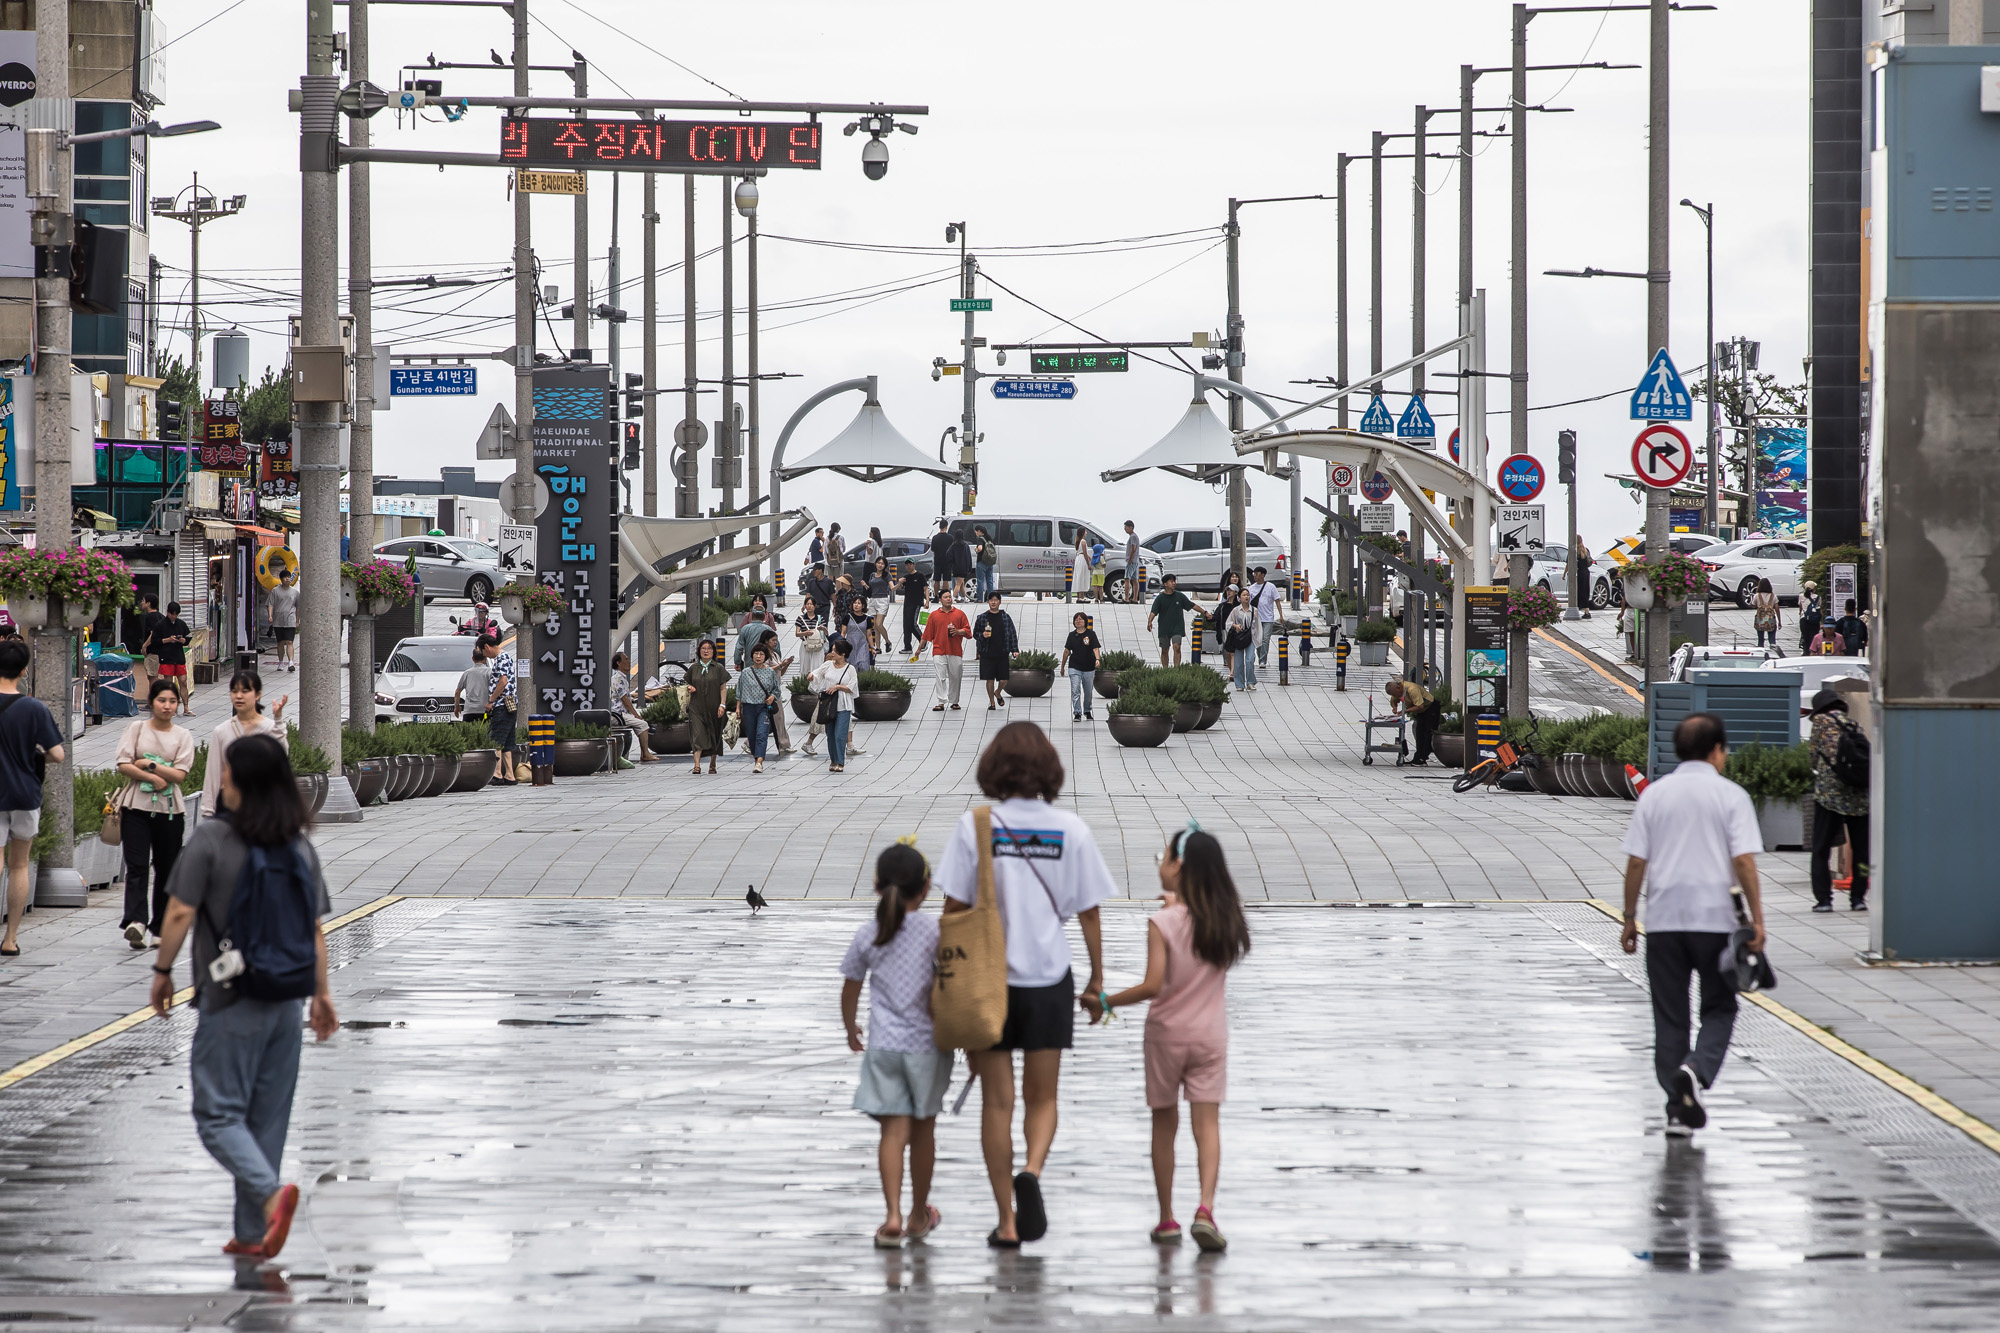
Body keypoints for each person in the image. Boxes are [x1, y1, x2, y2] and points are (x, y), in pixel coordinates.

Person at [151, 733, 338, 1262]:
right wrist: (322, 995)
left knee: (217, 1115)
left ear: (238, 779)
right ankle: (252, 1233)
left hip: (230, 998)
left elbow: (181, 913)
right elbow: (316, 929)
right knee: (265, 1122)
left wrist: (162, 970)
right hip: (287, 999)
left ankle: (272, 1197)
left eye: (227, 769)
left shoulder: (211, 839)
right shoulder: (299, 844)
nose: (223, 776)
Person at [941, 722, 1112, 1248]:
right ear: (1047, 769)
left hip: (988, 983)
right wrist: (1097, 979)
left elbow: (951, 912)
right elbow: (1088, 914)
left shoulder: (975, 828)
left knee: (998, 1102)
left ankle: (1007, 1222)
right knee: (1043, 1097)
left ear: (994, 766)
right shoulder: (1071, 831)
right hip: (1049, 978)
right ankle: (1032, 1172)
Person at [1083, 827, 1249, 1252]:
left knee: (1164, 1124)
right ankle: (1206, 1208)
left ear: (1178, 867)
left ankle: (1166, 1218)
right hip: (1210, 1037)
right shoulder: (1225, 917)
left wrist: (1104, 1000)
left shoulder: (1162, 922)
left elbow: (1153, 985)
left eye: (1163, 857)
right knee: (1206, 1125)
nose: (1159, 864)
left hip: (1166, 1037)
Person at [1618, 712, 1766, 1137]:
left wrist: (1630, 918)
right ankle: (1696, 1070)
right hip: (1715, 922)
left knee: (1670, 1017)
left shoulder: (1655, 796)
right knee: (1719, 1007)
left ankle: (1676, 1111)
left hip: (1663, 922)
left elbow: (1635, 861)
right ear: (1718, 751)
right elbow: (1742, 861)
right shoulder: (1731, 796)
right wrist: (1757, 920)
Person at [841, 840, 950, 1247]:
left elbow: (851, 986)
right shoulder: (935, 930)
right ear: (926, 887)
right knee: (923, 1134)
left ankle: (890, 1217)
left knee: (892, 1132)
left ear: (876, 885)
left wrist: (851, 1028)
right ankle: (918, 1215)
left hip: (884, 1047)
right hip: (928, 1047)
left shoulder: (870, 932)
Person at [114, 680, 197, 950]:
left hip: (169, 812)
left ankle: (160, 926)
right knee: (136, 866)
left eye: (172, 701)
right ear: (151, 702)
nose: (167, 706)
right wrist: (156, 771)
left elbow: (180, 775)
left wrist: (149, 764)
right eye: (162, 700)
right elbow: (124, 763)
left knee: (166, 869)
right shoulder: (136, 728)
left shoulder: (183, 736)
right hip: (136, 807)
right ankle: (136, 921)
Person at [0, 637, 63, 959]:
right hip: (25, 793)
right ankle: (10, 938)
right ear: (24, 670)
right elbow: (58, 754)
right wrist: (35, 756)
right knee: (19, 864)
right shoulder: (34, 708)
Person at [1808, 689, 1869, 912]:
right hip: (1859, 796)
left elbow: (1814, 758)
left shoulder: (1821, 722)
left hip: (1829, 796)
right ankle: (1858, 899)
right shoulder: (1853, 724)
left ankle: (1824, 900)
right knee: (1862, 851)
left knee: (1821, 849)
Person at [202, 670, 288, 818]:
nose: (239, 696)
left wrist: (278, 720)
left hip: (261, 803)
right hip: (229, 805)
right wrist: (208, 811)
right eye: (234, 691)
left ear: (258, 694)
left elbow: (282, 756)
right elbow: (214, 772)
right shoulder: (221, 731)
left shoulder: (269, 727)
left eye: (245, 691)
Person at [811, 637, 861, 771]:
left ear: (843, 654)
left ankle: (840, 762)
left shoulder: (850, 669)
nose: (832, 653)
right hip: (828, 705)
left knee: (840, 735)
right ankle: (833, 761)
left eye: (835, 651)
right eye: (832, 650)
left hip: (843, 705)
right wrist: (811, 676)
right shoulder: (828, 665)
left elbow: (852, 687)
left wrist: (838, 687)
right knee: (830, 734)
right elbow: (817, 673)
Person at [735, 642, 781, 774]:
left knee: (762, 733)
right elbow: (740, 691)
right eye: (756, 654)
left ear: (765, 657)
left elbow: (776, 690)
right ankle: (756, 757)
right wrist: (738, 708)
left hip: (763, 708)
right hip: (748, 707)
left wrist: (772, 697)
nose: (758, 656)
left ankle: (759, 762)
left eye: (761, 654)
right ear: (751, 656)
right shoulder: (746, 672)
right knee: (752, 734)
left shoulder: (770, 672)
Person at [921, 588, 970, 712]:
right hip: (938, 650)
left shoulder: (960, 614)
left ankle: (954, 701)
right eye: (945, 597)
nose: (948, 599)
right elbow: (927, 634)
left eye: (950, 597)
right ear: (940, 600)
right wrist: (918, 649)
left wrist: (958, 631)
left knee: (956, 677)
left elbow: (968, 632)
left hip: (955, 650)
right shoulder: (934, 615)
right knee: (940, 677)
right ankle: (941, 702)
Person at [686, 637, 729, 776]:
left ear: (713, 652)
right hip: (696, 707)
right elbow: (687, 683)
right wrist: (690, 687)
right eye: (703, 649)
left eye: (709, 649)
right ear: (699, 651)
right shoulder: (694, 668)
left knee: (714, 734)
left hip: (714, 706)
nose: (706, 651)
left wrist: (722, 704)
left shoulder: (718, 668)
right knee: (697, 734)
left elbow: (723, 687)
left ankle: (713, 764)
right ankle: (697, 765)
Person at [610, 652, 658, 763]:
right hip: (618, 714)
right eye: (626, 659)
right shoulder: (618, 678)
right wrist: (636, 714)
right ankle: (645, 754)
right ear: (618, 663)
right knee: (643, 724)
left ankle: (644, 753)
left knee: (641, 724)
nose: (629, 662)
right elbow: (624, 699)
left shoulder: (622, 678)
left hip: (622, 713)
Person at [973, 591, 1018, 711]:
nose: (993, 602)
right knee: (989, 678)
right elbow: (975, 633)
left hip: (1002, 652)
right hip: (987, 653)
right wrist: (982, 635)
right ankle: (992, 702)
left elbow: (1012, 633)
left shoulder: (1005, 617)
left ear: (1000, 602)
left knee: (1004, 679)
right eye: (991, 600)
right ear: (988, 602)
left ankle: (998, 692)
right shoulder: (982, 617)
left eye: (995, 600)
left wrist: (1015, 650)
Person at [486, 634, 521, 785]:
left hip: (501, 704)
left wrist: (491, 700)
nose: (484, 655)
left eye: (483, 651)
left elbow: (503, 682)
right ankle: (510, 775)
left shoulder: (501, 659)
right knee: (507, 740)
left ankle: (498, 773)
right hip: (511, 704)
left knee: (496, 739)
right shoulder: (506, 657)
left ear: (487, 647)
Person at [1385, 677, 1441, 766]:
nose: (1397, 697)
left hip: (1430, 708)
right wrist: (1394, 707)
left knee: (1428, 732)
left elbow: (1420, 706)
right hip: (1420, 712)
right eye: (1395, 695)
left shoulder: (1412, 689)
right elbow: (1393, 701)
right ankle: (1418, 757)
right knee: (1419, 733)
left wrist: (1405, 711)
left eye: (1398, 694)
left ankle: (1423, 757)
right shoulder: (1396, 691)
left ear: (1399, 688)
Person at [154, 600, 195, 718]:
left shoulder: (181, 624)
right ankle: (169, 708)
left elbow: (188, 637)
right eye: (172, 614)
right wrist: (168, 640)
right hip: (166, 657)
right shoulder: (160, 625)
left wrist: (183, 641)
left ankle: (186, 707)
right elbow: (155, 642)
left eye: (176, 614)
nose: (174, 616)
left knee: (183, 681)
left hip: (179, 656)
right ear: (167, 612)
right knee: (168, 683)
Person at [1060, 611, 1101, 722]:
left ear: (1085, 622)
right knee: (1075, 689)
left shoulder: (1091, 634)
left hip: (1089, 667)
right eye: (1076, 619)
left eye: (1081, 619)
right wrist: (1062, 666)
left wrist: (1097, 659)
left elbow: (1096, 648)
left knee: (1088, 691)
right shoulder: (1071, 635)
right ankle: (1077, 712)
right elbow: (1066, 651)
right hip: (1074, 666)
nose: (1078, 621)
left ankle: (1087, 711)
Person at [1148, 575, 1195, 667]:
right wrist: (1149, 621)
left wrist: (1205, 612)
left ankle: (1176, 670)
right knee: (1164, 650)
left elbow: (1192, 605)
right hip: (1164, 627)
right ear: (1165, 584)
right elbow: (1154, 611)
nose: (1174, 583)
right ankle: (1165, 670)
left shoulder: (1179, 596)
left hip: (1177, 627)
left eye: (1174, 581)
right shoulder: (1160, 598)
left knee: (1177, 647)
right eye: (1171, 581)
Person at [129, 593, 163, 705]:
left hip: (153, 651)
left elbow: (153, 633)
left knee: (152, 677)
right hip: (160, 651)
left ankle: (153, 701)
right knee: (152, 676)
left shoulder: (150, 617)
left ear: (148, 603)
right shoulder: (160, 616)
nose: (141, 603)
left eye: (143, 601)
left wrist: (145, 645)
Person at [1223, 589, 1258, 692]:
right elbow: (1228, 623)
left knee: (1250, 659)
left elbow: (1257, 626)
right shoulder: (1236, 610)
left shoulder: (1254, 610)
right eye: (1244, 595)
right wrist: (1235, 626)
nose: (1246, 597)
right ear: (1239, 598)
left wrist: (1258, 639)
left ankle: (1251, 682)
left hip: (1250, 637)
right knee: (1238, 662)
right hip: (1238, 638)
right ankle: (1239, 683)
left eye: (1247, 595)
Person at [454, 636, 494, 724]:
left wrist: (457, 706)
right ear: (485, 659)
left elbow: (457, 691)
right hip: (484, 710)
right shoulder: (489, 672)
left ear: (473, 659)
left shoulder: (467, 673)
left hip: (469, 711)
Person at [266, 570, 299, 673]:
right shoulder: (275, 591)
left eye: (289, 577)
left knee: (289, 641)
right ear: (281, 579)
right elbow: (270, 603)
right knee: (280, 642)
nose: (287, 578)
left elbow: (298, 607)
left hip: (290, 619)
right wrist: (270, 615)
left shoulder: (295, 592)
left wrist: (297, 620)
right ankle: (281, 662)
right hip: (278, 620)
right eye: (285, 577)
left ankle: (291, 662)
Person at [1248, 567, 1282, 668]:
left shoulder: (1271, 587)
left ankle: (1263, 660)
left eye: (1257, 573)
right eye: (1254, 573)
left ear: (1263, 575)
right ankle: (1260, 657)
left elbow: (1277, 601)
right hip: (1256, 618)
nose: (1254, 575)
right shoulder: (1251, 588)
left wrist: (1281, 615)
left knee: (1265, 639)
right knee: (1258, 639)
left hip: (1268, 618)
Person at [899, 561, 928, 657]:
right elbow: (899, 587)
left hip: (916, 603)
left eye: (910, 564)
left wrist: (927, 601)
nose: (908, 566)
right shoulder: (906, 577)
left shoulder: (920, 576)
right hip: (907, 603)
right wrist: (900, 582)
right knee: (906, 625)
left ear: (914, 565)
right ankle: (907, 647)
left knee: (913, 624)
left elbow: (926, 588)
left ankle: (923, 641)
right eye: (906, 564)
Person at [795, 596, 828, 680]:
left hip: (818, 646)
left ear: (815, 606)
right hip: (806, 646)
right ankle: (805, 685)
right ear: (805, 606)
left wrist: (824, 629)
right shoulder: (800, 618)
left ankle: (817, 686)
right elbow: (797, 633)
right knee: (805, 667)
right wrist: (805, 633)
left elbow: (826, 634)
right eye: (807, 604)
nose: (809, 606)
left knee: (817, 667)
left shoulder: (820, 619)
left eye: (811, 604)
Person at [867, 558, 894, 656]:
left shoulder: (887, 575)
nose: (880, 565)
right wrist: (865, 586)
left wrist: (898, 584)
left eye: (882, 564)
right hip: (873, 599)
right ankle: (878, 647)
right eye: (879, 563)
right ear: (875, 564)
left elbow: (892, 587)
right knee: (875, 626)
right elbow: (870, 588)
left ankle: (887, 641)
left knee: (879, 624)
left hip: (882, 600)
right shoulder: (872, 575)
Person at [841, 595, 876, 671]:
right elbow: (843, 633)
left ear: (863, 606)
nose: (856, 605)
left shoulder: (867, 619)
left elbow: (869, 634)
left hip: (862, 645)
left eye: (859, 603)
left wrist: (872, 647)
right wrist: (842, 645)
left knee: (863, 666)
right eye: (855, 603)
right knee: (851, 667)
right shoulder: (847, 617)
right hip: (850, 645)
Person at [1750, 578, 1781, 648]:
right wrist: (1779, 622)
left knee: (1760, 640)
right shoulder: (1773, 596)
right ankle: (1773, 652)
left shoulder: (1757, 596)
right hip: (1771, 621)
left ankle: (1761, 653)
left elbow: (1753, 605)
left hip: (1760, 620)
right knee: (1772, 639)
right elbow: (1777, 609)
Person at [972, 524, 999, 602]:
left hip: (981, 562)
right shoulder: (989, 538)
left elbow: (980, 548)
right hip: (990, 562)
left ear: (979, 531)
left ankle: (980, 599)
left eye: (976, 532)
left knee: (980, 580)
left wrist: (976, 550)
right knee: (989, 580)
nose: (976, 533)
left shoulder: (980, 539)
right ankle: (990, 598)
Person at [930, 521, 954, 601]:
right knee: (946, 580)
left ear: (939, 526)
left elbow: (933, 550)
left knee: (937, 579)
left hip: (938, 561)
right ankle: (944, 597)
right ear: (946, 527)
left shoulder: (935, 538)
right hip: (947, 561)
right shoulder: (950, 538)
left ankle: (936, 596)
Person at [951, 527, 976, 602]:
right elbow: (968, 557)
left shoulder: (953, 545)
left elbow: (948, 555)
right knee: (958, 584)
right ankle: (953, 597)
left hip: (955, 567)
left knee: (961, 583)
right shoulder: (965, 545)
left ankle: (964, 597)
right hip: (963, 567)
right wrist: (969, 568)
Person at [1797, 581, 1823, 655]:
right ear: (1814, 589)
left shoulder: (1801, 596)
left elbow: (1801, 608)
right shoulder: (1818, 597)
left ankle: (1806, 653)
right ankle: (1813, 653)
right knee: (1814, 638)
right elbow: (1819, 609)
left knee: (1805, 638)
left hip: (1804, 620)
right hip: (1814, 621)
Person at [1121, 520, 1143, 604]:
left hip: (1131, 560)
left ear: (1131, 527)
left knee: (1127, 578)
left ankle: (1126, 598)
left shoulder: (1132, 537)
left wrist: (1130, 559)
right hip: (1135, 561)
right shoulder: (1134, 536)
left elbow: (1133, 549)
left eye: (1126, 527)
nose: (1125, 529)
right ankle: (1134, 598)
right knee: (1135, 580)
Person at [1068, 529, 1089, 604]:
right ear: (1083, 533)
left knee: (1079, 576)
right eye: (1085, 531)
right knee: (1082, 576)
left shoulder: (1077, 540)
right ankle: (1081, 596)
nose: (1086, 533)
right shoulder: (1083, 541)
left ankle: (1079, 596)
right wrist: (1089, 564)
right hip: (1082, 559)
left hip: (1078, 559)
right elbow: (1085, 553)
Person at [1088, 539, 1108, 603]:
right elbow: (1104, 565)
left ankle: (1096, 599)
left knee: (1095, 587)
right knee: (1101, 587)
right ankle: (1101, 599)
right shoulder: (1101, 558)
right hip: (1101, 573)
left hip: (1095, 572)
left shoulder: (1094, 557)